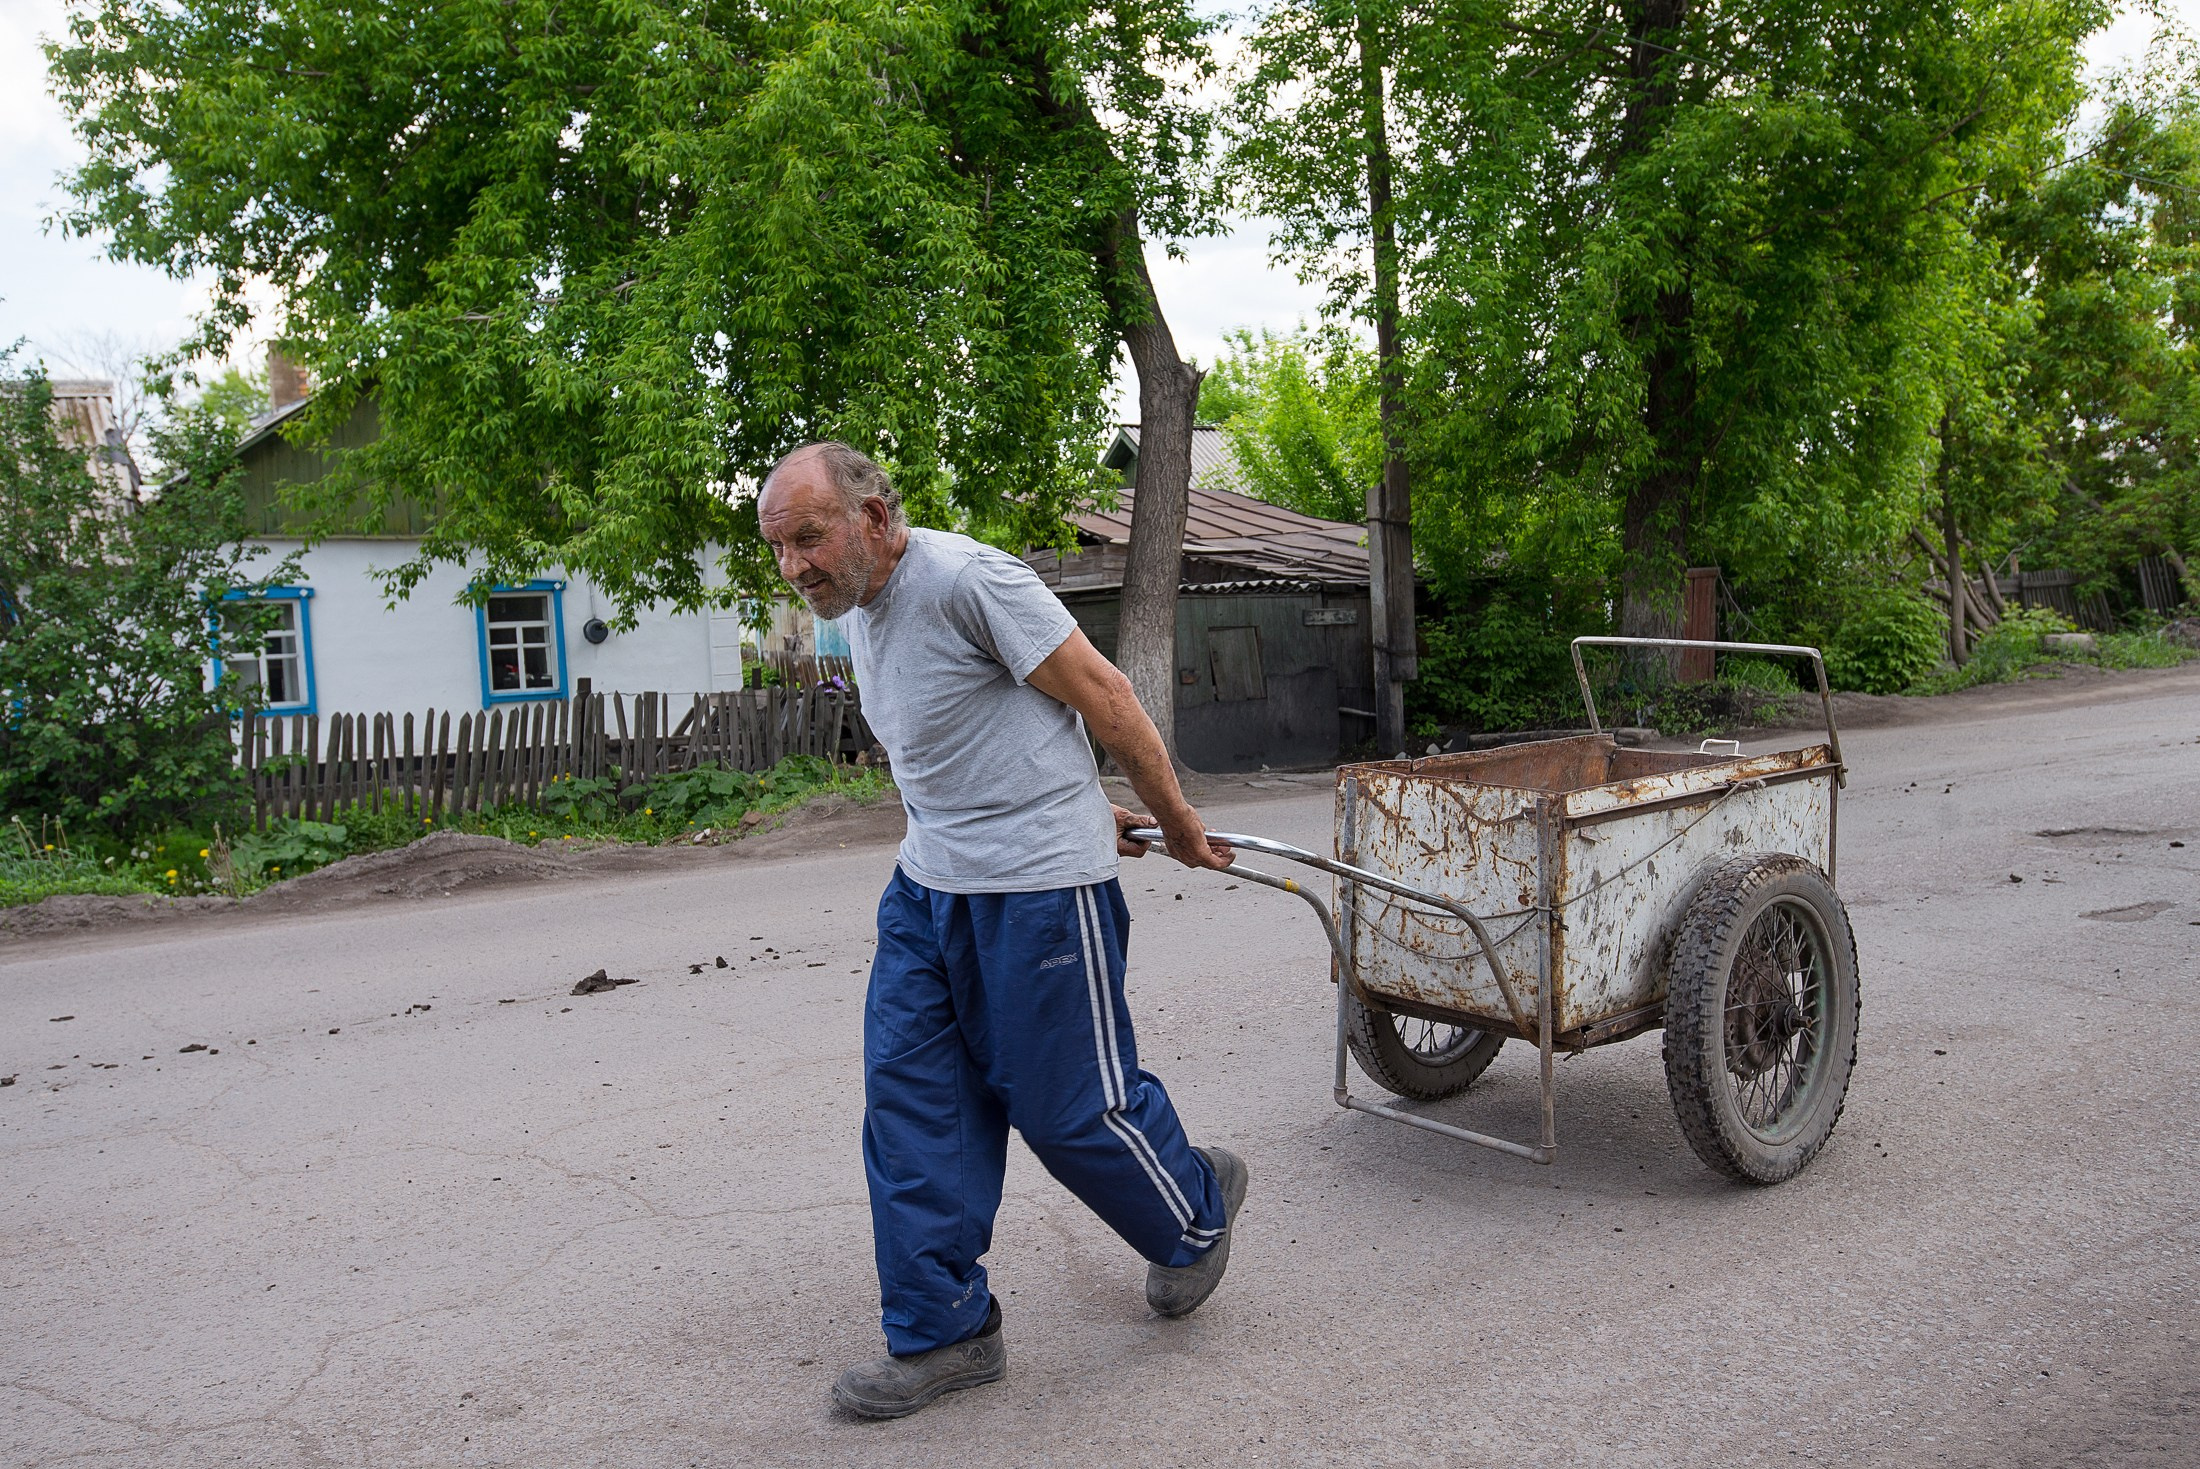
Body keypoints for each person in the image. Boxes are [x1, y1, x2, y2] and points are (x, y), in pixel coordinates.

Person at [757, 441, 1249, 1420]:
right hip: (927, 889)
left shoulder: (967, 579)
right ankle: (944, 1331)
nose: (793, 565)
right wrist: (1071, 798)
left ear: (874, 516)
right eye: (777, 547)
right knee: (912, 1106)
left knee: (1068, 1110)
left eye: (807, 538)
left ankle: (1194, 1207)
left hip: (1036, 895)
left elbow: (1105, 698)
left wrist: (1178, 823)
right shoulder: (856, 607)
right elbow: (959, 737)